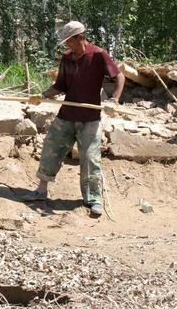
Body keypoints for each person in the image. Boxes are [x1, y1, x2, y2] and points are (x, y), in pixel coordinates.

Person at [25, 21, 125, 216]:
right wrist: (44, 95)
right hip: (67, 115)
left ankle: (93, 199)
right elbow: (60, 85)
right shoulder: (67, 58)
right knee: (51, 149)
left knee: (90, 158)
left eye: (69, 41)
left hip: (89, 118)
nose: (66, 45)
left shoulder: (98, 55)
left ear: (80, 37)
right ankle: (41, 190)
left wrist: (114, 100)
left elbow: (119, 77)